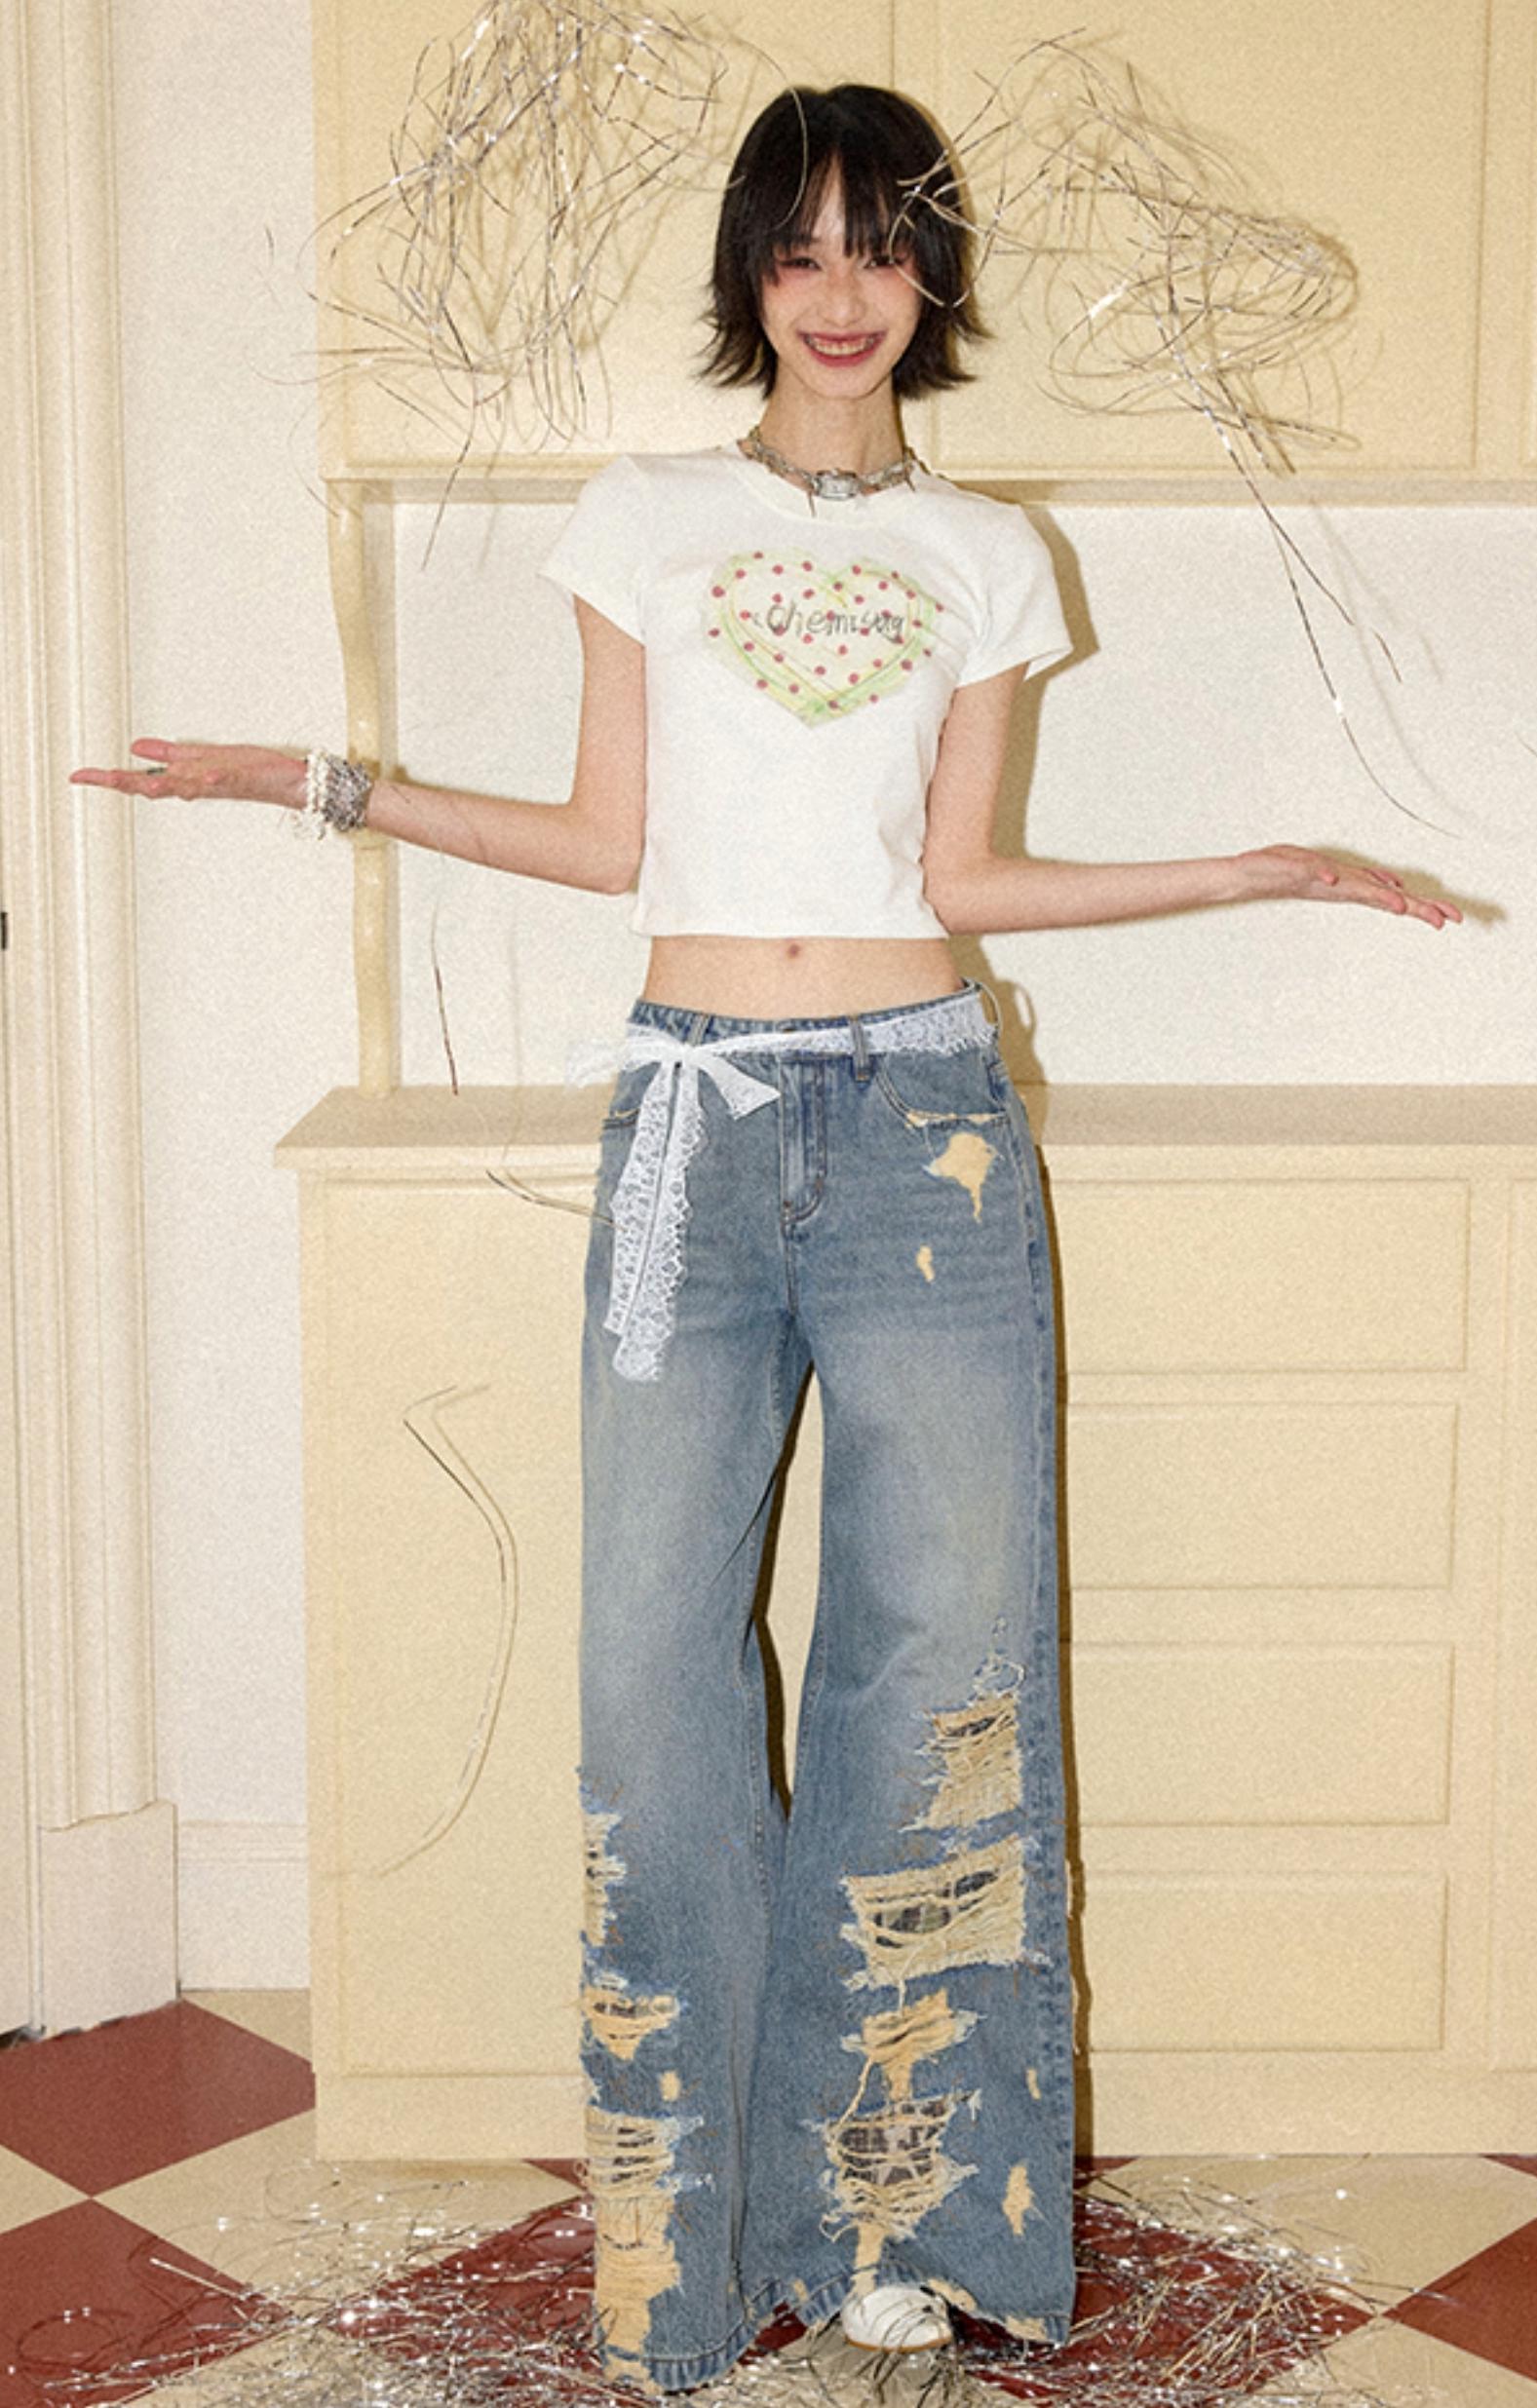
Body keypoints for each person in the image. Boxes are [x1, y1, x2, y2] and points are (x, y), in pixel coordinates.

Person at [74, 80, 1459, 2398]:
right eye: (799, 249)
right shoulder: (643, 518)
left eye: (878, 247)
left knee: (938, 1666)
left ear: (928, 276)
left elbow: (963, 879)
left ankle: (897, 2219)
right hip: (687, 1139)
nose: (839, 292)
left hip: (927, 1135)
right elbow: (609, 836)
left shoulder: (988, 552)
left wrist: (1250, 870)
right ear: (749, 273)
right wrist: (314, 783)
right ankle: (691, 2257)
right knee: (651, 1679)